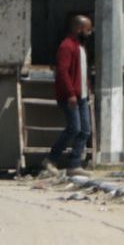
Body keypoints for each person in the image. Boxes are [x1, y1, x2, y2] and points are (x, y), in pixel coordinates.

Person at [43, 15, 94, 178]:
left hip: (83, 95)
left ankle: (74, 164)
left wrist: (88, 89)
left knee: (85, 130)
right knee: (74, 128)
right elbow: (63, 72)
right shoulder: (67, 46)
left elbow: (82, 71)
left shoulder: (80, 46)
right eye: (87, 29)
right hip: (70, 96)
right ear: (78, 29)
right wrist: (71, 93)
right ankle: (51, 159)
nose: (90, 33)